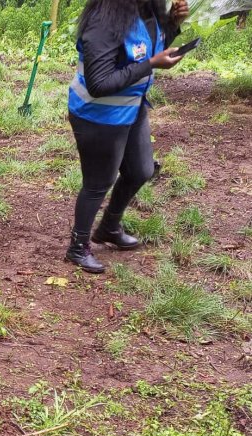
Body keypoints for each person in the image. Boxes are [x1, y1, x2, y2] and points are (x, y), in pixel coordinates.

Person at [66, 0, 189, 273]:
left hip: (131, 108)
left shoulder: (147, 10)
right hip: (98, 115)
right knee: (99, 183)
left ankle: (108, 227)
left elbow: (148, 49)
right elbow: (99, 84)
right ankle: (77, 247)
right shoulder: (104, 19)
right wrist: (151, 65)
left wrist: (171, 25)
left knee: (141, 170)